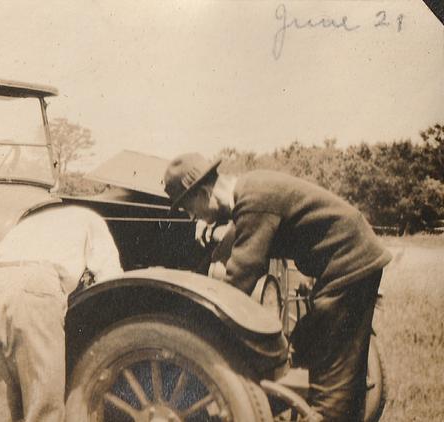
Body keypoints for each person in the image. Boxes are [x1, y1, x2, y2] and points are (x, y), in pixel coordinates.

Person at [163, 153, 391, 421]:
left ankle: (328, 414)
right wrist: (216, 231)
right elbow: (243, 229)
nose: (192, 217)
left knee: (332, 371)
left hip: (349, 262)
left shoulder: (255, 202)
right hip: (351, 256)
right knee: (308, 340)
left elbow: (241, 278)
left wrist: (199, 328)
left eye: (189, 208)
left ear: (203, 193)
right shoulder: (251, 190)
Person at [0, 205, 123, 422]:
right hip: (35, 285)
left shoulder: (30, 222)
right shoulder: (91, 220)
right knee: (43, 409)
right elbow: (111, 282)